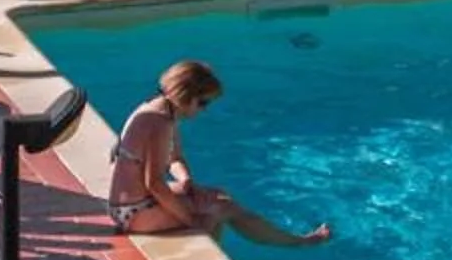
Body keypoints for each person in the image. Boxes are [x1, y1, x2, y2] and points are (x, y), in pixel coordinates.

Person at [106, 58, 329, 247]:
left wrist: (187, 181)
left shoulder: (160, 108)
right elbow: (154, 183)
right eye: (203, 103)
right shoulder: (160, 122)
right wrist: (189, 220)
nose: (204, 110)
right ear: (185, 95)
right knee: (220, 209)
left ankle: (288, 241)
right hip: (134, 213)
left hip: (129, 204)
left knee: (218, 195)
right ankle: (297, 242)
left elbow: (175, 159)